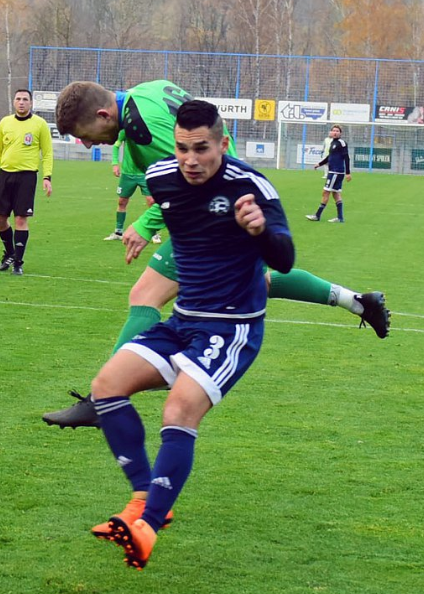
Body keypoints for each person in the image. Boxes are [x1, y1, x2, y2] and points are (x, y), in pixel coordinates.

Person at [44, 80, 390, 430]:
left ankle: (102, 400)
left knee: (145, 294)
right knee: (260, 282)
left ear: (103, 114)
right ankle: (358, 302)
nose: (88, 144)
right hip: (228, 204)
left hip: (218, 210)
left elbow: (189, 177)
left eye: (84, 135)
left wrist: (146, 224)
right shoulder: (144, 93)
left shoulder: (140, 125)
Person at [89, 100, 295, 569]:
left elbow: (284, 260)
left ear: (223, 144)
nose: (190, 159)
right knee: (106, 386)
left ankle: (147, 527)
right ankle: (144, 499)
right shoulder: (162, 176)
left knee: (179, 408)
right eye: (182, 148)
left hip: (232, 326)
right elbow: (167, 209)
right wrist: (139, 228)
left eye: (201, 148)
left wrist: (260, 231)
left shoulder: (250, 186)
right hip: (183, 320)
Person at [0, 89, 53, 275]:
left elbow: (47, 153)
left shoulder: (40, 124)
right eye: (18, 99)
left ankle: (18, 264)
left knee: (21, 219)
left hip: (27, 177)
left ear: (31, 103)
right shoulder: (5, 122)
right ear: (14, 102)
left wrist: (47, 177)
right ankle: (10, 253)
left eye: (25, 99)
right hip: (5, 175)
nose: (21, 102)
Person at [105, 130, 161, 244]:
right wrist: (115, 163)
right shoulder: (126, 130)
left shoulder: (149, 130)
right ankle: (118, 232)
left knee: (151, 201)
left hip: (144, 173)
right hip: (127, 173)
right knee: (122, 202)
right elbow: (116, 145)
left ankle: (154, 233)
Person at [306, 125, 351, 223]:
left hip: (336, 172)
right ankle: (340, 218)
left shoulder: (342, 143)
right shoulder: (332, 143)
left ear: (340, 133)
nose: (335, 132)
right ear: (330, 132)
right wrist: (319, 164)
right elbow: (329, 157)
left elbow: (346, 157)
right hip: (334, 171)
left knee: (326, 192)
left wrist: (348, 173)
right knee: (336, 194)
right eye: (333, 130)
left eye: (337, 131)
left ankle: (317, 216)